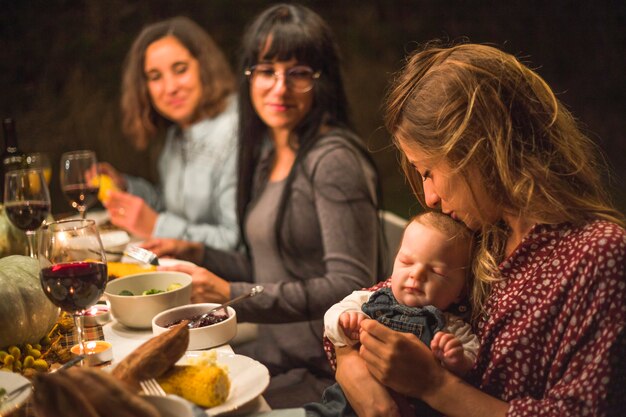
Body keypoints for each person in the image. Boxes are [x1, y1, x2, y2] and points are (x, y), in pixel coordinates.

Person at [332, 42, 626, 417]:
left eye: (429, 172)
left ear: (479, 151)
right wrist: (348, 359)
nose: (430, 197)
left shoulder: (597, 256)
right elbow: (384, 298)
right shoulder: (484, 233)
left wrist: (435, 386)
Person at [145, 4, 383, 408]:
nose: (279, 87)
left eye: (299, 73)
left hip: (324, 375)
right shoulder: (272, 153)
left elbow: (350, 284)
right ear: (249, 75)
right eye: (267, 70)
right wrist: (198, 253)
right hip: (273, 358)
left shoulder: (333, 160)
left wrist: (232, 292)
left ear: (323, 81)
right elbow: (272, 267)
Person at [307, 211, 478, 417]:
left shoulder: (451, 326)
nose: (417, 274)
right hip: (342, 406)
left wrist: (456, 359)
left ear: (460, 292)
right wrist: (345, 319)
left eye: (437, 272)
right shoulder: (368, 298)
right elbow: (333, 315)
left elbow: (472, 356)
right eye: (406, 262)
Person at [99, 16, 240, 250]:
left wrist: (157, 226)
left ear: (205, 67)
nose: (170, 88)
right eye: (155, 77)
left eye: (180, 70)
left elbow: (235, 242)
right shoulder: (177, 133)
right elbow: (172, 209)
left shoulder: (235, 129)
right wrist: (125, 187)